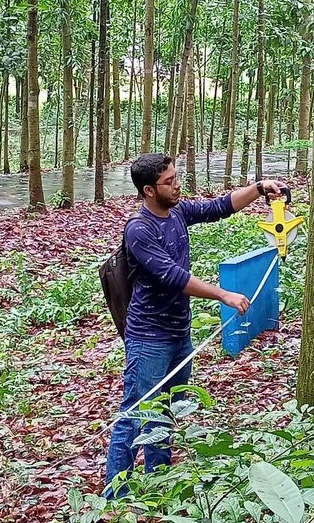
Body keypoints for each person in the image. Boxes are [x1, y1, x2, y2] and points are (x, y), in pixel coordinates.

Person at [105, 153, 283, 497]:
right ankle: (117, 495)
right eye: (169, 182)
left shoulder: (178, 213)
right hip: (148, 336)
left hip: (178, 333)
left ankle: (158, 482)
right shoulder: (138, 230)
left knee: (167, 408)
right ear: (148, 190)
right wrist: (222, 294)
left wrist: (259, 188)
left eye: (176, 177)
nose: (177, 185)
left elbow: (219, 207)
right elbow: (172, 276)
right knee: (136, 411)